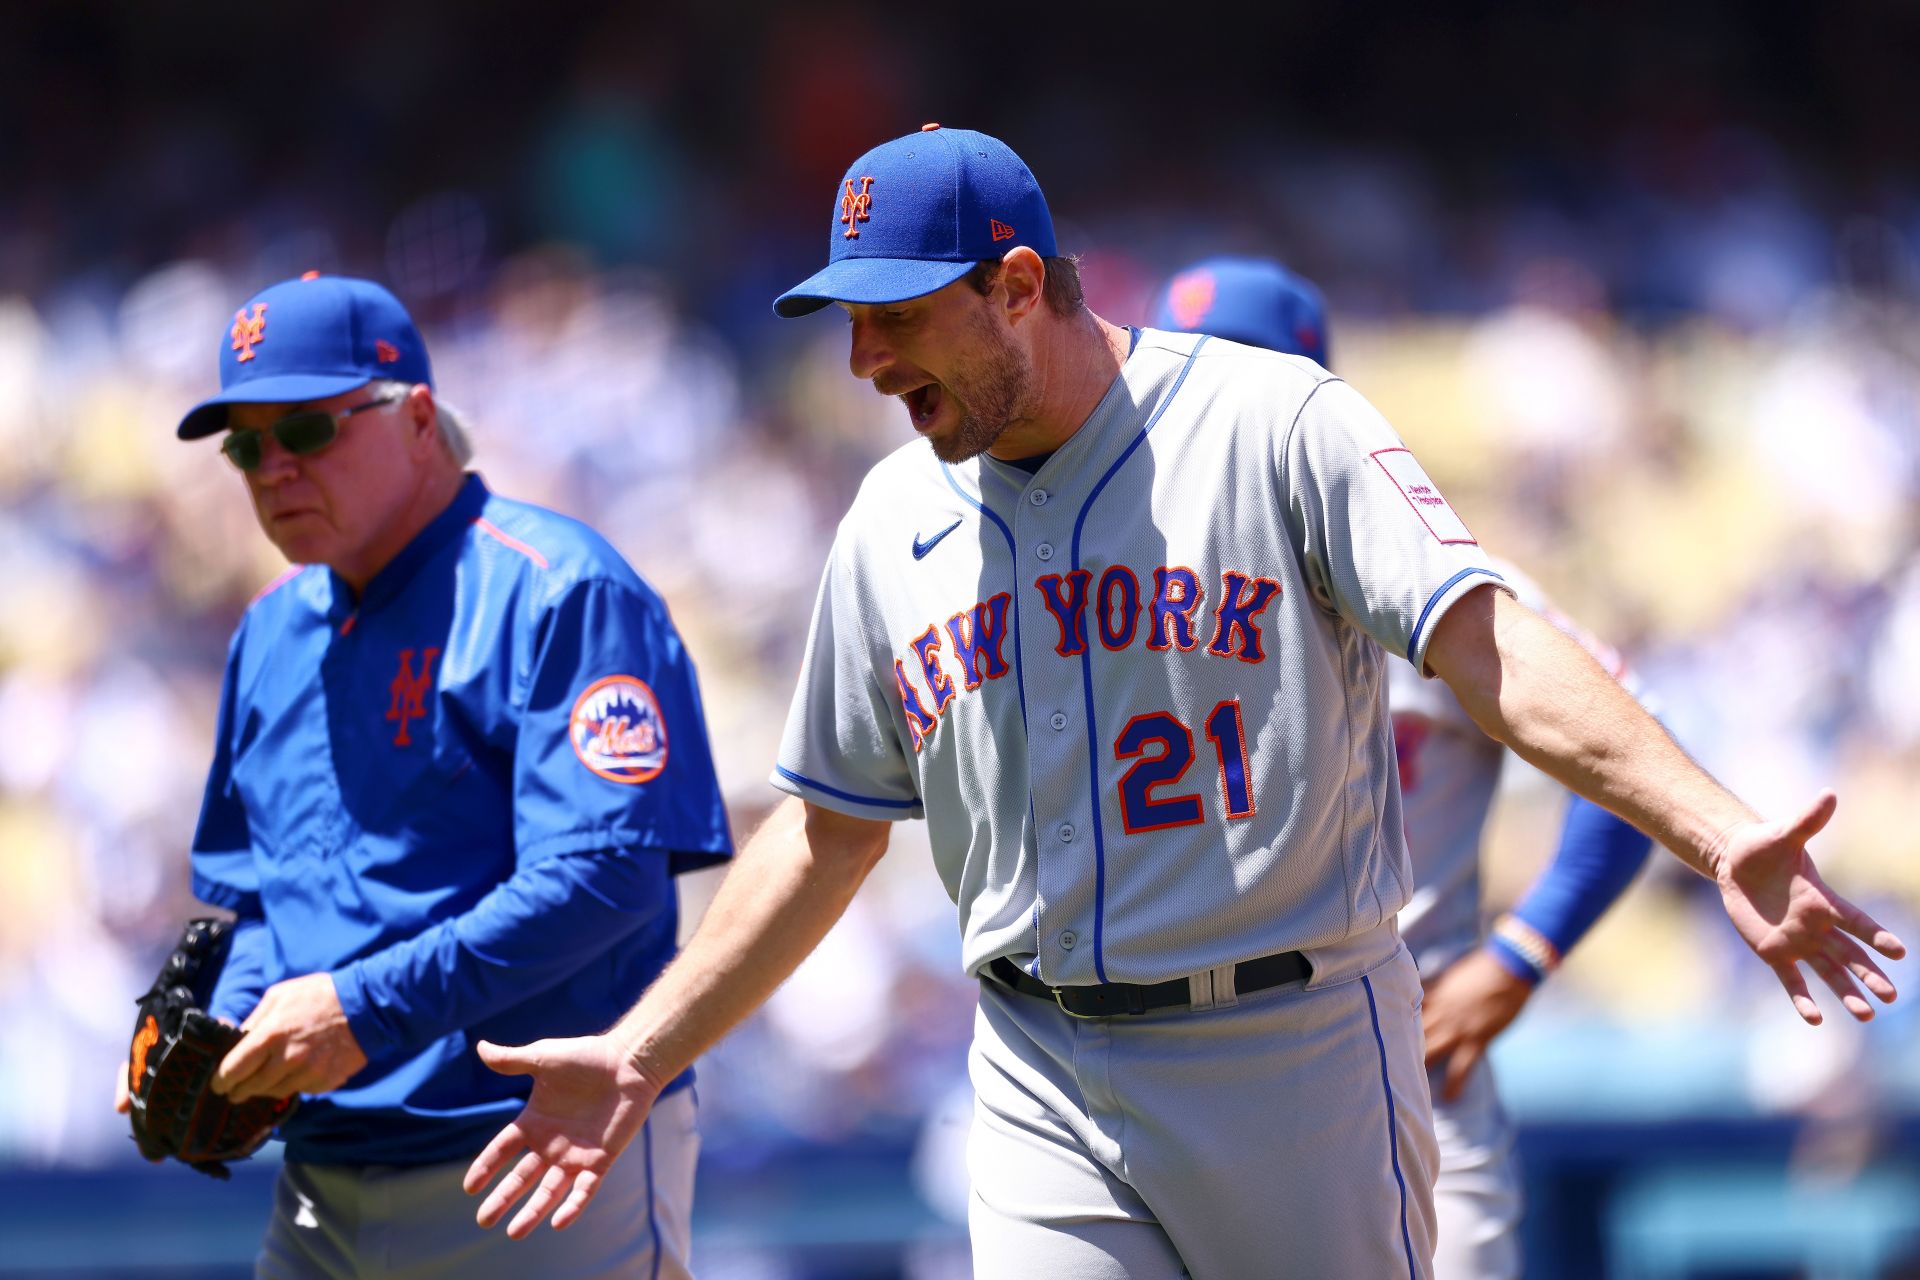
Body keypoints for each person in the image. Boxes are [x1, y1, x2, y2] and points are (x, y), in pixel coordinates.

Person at [460, 127, 1902, 1279]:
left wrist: (1719, 836)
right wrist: (644, 1050)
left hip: (1290, 1051)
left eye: (895, 317)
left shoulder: (1280, 426)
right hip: (1034, 1067)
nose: (863, 362)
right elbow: (828, 829)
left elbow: (1489, 649)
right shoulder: (889, 515)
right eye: (847, 323)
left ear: (1017, 285)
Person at [116, 273, 732, 1279]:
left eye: (307, 430)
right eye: (244, 445)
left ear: (413, 418)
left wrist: (361, 1007)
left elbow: (605, 878)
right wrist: (229, 1025)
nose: (273, 468)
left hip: (537, 1162)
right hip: (320, 1181)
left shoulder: (555, 588)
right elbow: (266, 906)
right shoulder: (270, 628)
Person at [1151, 254, 1659, 1279]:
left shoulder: (1432, 573)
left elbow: (1627, 748)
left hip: (1406, 1057)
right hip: (1190, 1071)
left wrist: (1524, 953)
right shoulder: (1118, 593)